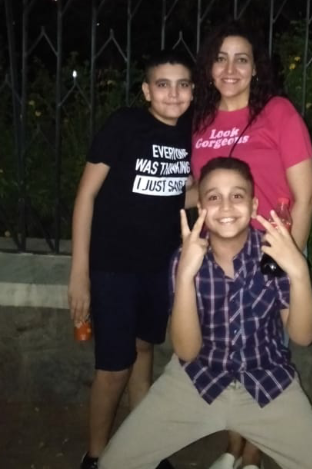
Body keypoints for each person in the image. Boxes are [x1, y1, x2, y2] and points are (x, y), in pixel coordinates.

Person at [98, 157, 312, 469]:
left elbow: (303, 336)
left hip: (268, 383)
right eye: (213, 197)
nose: (226, 206)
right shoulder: (185, 258)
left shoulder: (274, 254)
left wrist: (299, 271)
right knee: (114, 463)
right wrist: (185, 276)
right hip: (196, 381)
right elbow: (187, 351)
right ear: (201, 207)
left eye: (237, 195)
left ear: (254, 206)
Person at [191, 19, 312, 469]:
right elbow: (197, 188)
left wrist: (284, 260)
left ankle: (250, 456)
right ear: (209, 68)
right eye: (221, 58)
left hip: (270, 252)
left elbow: (306, 196)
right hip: (222, 255)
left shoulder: (278, 113)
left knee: (267, 357)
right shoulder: (202, 122)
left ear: (256, 68)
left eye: (241, 59)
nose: (230, 69)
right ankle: (233, 446)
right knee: (228, 352)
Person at [68, 49, 195, 469]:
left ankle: (143, 450)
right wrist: (79, 272)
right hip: (113, 267)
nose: (173, 93)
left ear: (192, 90)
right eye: (163, 84)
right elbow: (86, 195)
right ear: (146, 90)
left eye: (182, 84)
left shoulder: (189, 132)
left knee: (144, 352)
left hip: (159, 268)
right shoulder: (124, 125)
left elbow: (180, 192)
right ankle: (95, 456)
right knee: (114, 367)